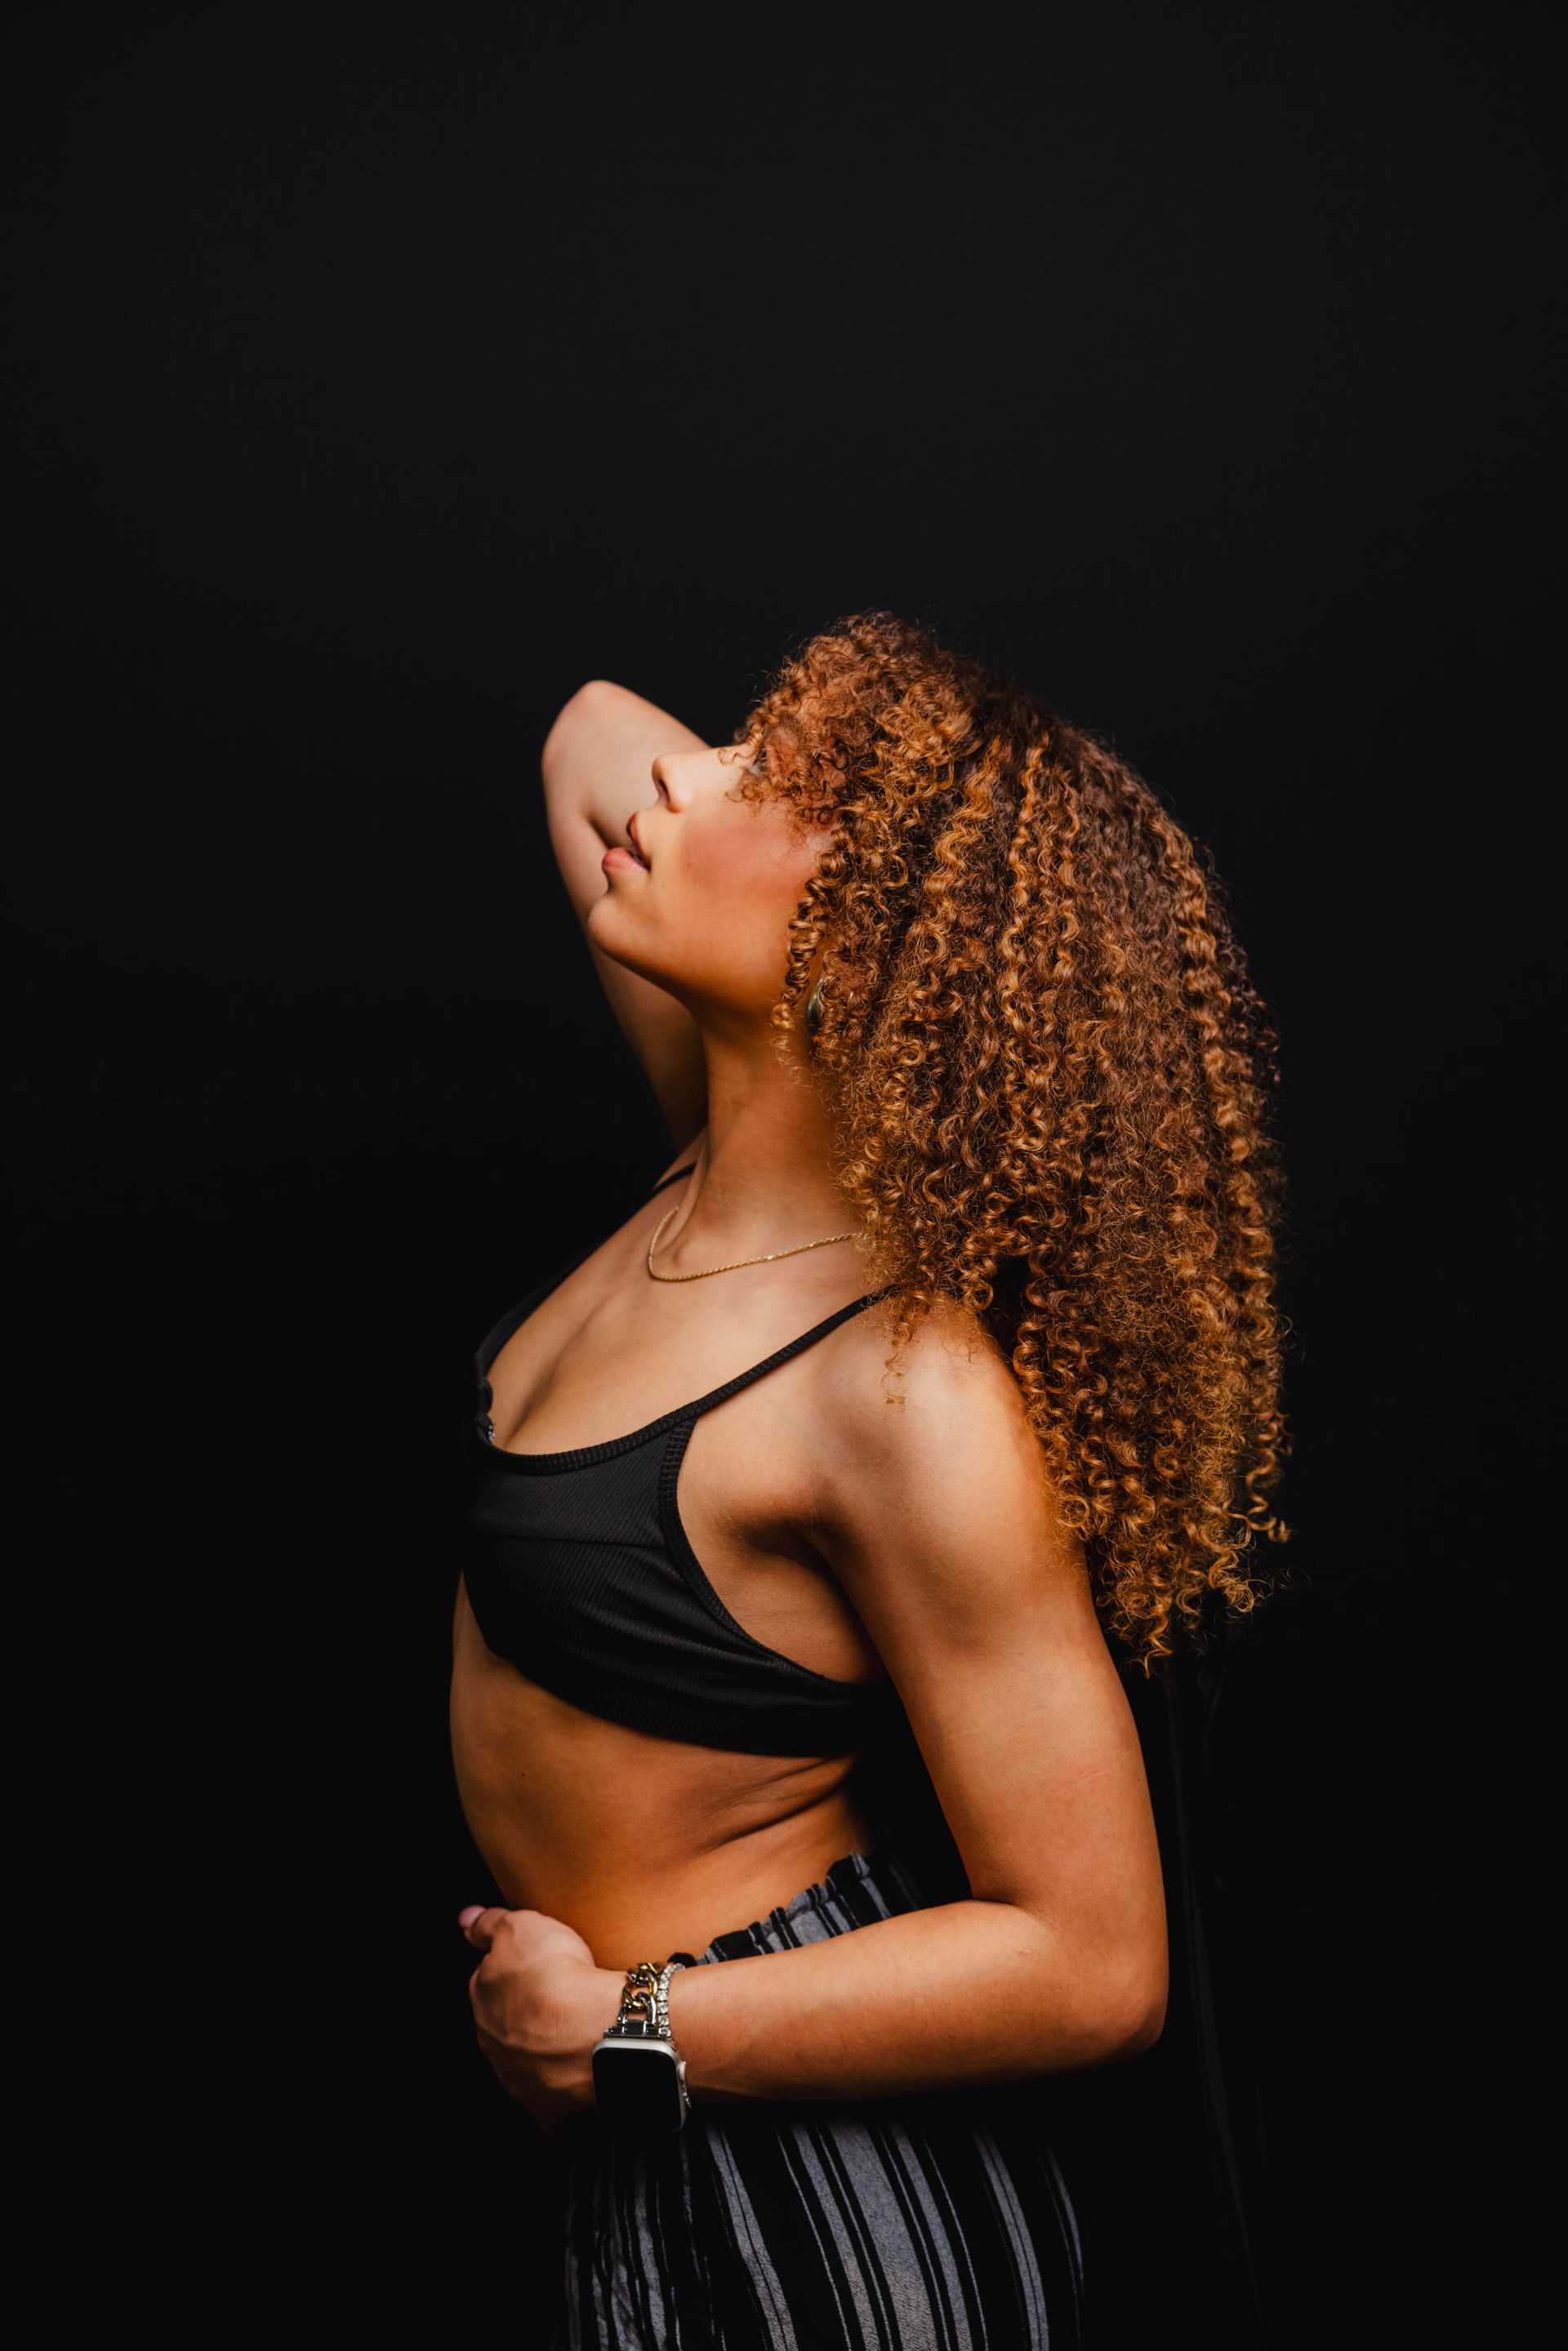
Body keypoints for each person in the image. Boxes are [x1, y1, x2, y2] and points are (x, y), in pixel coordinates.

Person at [450, 609, 1292, 2349]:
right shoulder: (716, 1144)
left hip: (823, 2218)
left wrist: (624, 2021)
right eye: (743, 741)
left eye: (779, 788)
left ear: (866, 952)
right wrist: (797, 772)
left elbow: (1096, 1960)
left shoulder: (900, 1396)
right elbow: (591, 728)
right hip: (665, 2157)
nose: (686, 777)